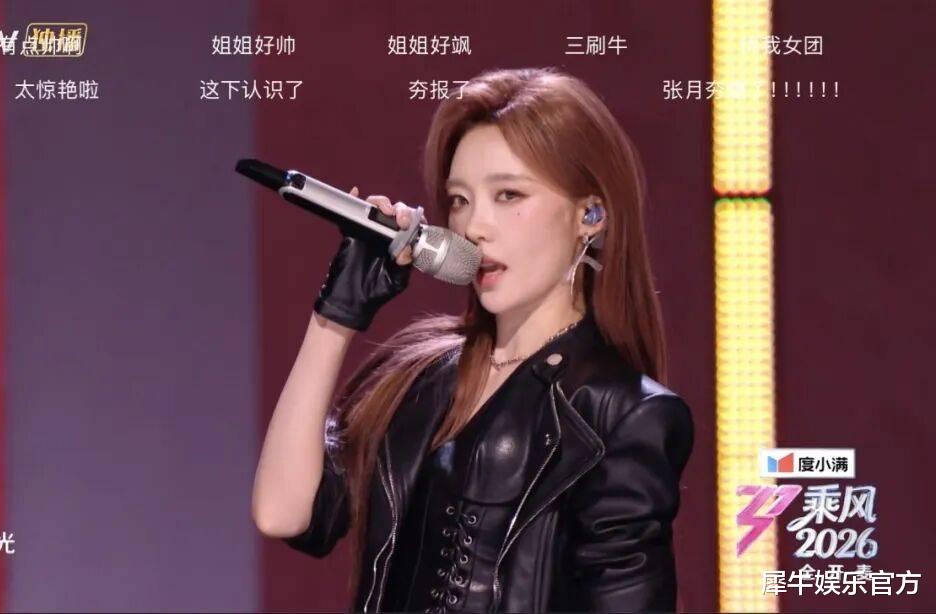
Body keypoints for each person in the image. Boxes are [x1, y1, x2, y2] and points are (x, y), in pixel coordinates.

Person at [252, 66, 695, 613]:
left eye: (508, 195)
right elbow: (283, 513)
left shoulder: (622, 413)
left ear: (591, 214)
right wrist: (336, 316)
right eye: (460, 200)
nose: (474, 227)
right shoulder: (419, 377)